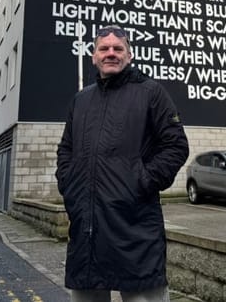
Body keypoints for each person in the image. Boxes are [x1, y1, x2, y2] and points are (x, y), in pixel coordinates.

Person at [56, 25, 189, 302]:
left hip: (134, 228)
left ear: (130, 55)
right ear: (94, 56)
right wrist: (69, 183)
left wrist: (140, 181)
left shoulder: (151, 92)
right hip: (86, 230)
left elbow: (175, 146)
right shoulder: (81, 100)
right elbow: (66, 149)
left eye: (118, 48)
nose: (111, 54)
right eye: (104, 48)